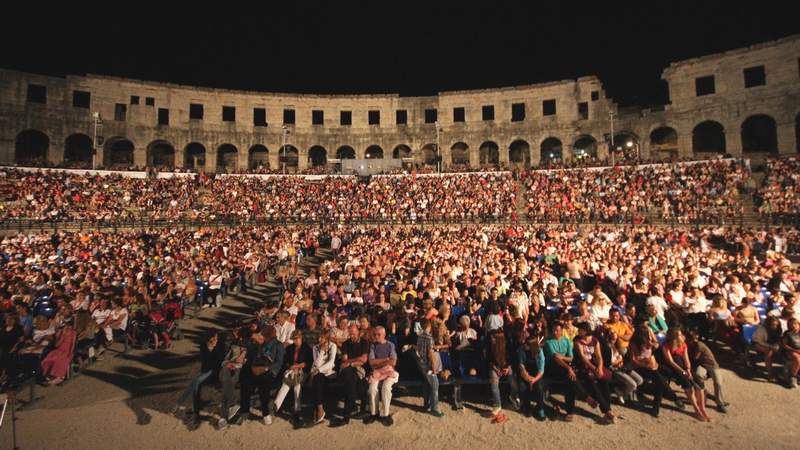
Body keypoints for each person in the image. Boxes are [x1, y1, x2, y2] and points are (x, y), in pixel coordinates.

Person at [172, 330, 227, 430]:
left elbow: (219, 361)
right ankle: (187, 406)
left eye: (217, 337)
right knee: (194, 383)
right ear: (208, 338)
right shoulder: (203, 345)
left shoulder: (220, 345)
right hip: (206, 369)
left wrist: (214, 348)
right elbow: (205, 360)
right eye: (214, 338)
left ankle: (185, 406)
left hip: (215, 371)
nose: (216, 339)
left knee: (196, 382)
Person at [233, 325, 284, 426]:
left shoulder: (278, 345)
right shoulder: (258, 344)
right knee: (245, 379)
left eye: (263, 335)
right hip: (255, 369)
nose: (261, 336)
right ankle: (244, 412)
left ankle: (265, 413)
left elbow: (278, 363)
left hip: (269, 372)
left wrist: (265, 369)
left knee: (263, 383)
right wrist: (251, 366)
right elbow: (251, 357)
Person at [660, 328, 711, 422]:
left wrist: (688, 369)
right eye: (679, 335)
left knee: (699, 382)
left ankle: (702, 408)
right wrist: (682, 371)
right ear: (674, 337)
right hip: (674, 368)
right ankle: (696, 409)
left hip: (683, 366)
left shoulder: (683, 345)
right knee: (687, 384)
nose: (682, 336)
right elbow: (670, 362)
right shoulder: (666, 346)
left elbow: (686, 358)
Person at [573, 322, 615, 424]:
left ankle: (608, 410)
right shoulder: (577, 341)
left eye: (580, 330)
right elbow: (583, 358)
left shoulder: (595, 340)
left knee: (604, 382)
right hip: (584, 366)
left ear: (586, 331)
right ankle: (606, 410)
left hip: (594, 364)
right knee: (593, 384)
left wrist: (599, 367)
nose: (578, 331)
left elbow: (599, 356)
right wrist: (594, 369)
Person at [270, 330, 312, 427]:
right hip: (291, 371)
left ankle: (297, 410)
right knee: (286, 384)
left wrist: (298, 367)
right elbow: (286, 362)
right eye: (294, 339)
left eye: (296, 339)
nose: (295, 341)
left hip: (302, 371)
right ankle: (276, 405)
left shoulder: (307, 348)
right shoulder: (290, 348)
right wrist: (291, 367)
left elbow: (308, 363)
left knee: (297, 386)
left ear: (301, 338)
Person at [330, 324, 370, 427]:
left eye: (354, 333)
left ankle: (346, 416)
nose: (352, 335)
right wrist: (356, 360)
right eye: (350, 333)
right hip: (348, 369)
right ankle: (350, 409)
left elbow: (364, 359)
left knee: (350, 382)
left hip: (358, 369)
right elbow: (344, 359)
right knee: (350, 377)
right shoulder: (346, 344)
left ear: (358, 332)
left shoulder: (364, 343)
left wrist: (351, 362)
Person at [543, 321, 580, 421]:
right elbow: (555, 357)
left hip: (565, 369)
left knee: (570, 382)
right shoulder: (548, 342)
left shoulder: (566, 341)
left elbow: (571, 358)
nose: (555, 332)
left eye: (557, 330)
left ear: (561, 331)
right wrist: (568, 367)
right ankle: (585, 396)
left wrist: (563, 358)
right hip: (552, 368)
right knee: (570, 377)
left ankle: (570, 411)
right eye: (553, 330)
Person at [364, 326, 399, 426]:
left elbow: (393, 362)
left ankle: (385, 414)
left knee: (386, 388)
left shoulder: (390, 345)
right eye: (375, 334)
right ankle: (374, 413)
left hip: (389, 372)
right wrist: (385, 360)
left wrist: (379, 363)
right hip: (377, 372)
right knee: (372, 389)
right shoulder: (373, 346)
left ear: (384, 335)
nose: (376, 336)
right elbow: (371, 362)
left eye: (379, 334)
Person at [686, 329, 727, 412]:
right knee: (698, 375)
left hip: (712, 366)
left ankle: (720, 403)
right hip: (702, 365)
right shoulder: (690, 345)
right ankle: (703, 392)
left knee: (718, 383)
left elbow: (695, 358)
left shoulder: (699, 345)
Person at [602, 328, 643, 404]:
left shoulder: (618, 344)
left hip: (623, 367)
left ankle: (620, 391)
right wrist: (619, 361)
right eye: (611, 332)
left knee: (640, 380)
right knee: (633, 385)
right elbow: (608, 363)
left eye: (614, 331)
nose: (614, 333)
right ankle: (623, 395)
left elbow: (624, 358)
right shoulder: (606, 347)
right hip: (613, 369)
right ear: (607, 335)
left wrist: (622, 361)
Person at [415, 319, 445, 417]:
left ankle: (426, 405)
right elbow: (430, 353)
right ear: (429, 326)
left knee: (427, 384)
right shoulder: (429, 338)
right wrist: (433, 367)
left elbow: (418, 350)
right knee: (435, 385)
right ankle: (434, 408)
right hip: (428, 365)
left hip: (422, 364)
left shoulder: (419, 337)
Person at [310, 331, 337, 425]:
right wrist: (321, 351)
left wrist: (319, 370)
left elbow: (331, 362)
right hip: (318, 373)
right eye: (319, 337)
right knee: (317, 380)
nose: (319, 339)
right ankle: (320, 409)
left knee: (317, 380)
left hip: (329, 373)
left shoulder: (332, 346)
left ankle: (316, 411)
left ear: (326, 338)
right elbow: (316, 363)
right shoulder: (315, 347)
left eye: (321, 338)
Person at [517, 335, 546, 420]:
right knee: (522, 386)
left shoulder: (540, 352)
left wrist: (534, 380)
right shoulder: (521, 350)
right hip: (526, 373)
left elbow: (541, 370)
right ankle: (527, 406)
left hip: (536, 374)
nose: (524, 345)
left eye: (527, 344)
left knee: (539, 387)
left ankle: (540, 408)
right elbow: (521, 366)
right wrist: (528, 378)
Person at [486, 328, 511, 424]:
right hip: (494, 367)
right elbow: (489, 360)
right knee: (494, 384)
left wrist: (507, 368)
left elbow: (511, 358)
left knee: (512, 379)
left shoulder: (506, 345)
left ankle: (514, 397)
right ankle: (497, 405)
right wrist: (497, 370)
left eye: (493, 338)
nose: (492, 339)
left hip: (506, 366)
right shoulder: (490, 346)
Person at [751, 316, 783, 381]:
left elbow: (778, 339)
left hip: (771, 344)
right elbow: (758, 341)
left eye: (776, 325)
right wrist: (771, 347)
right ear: (768, 324)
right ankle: (770, 373)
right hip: (758, 343)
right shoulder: (761, 329)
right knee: (769, 352)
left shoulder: (779, 329)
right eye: (773, 325)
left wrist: (777, 345)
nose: (775, 327)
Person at [781, 318, 800, 388]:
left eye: (795, 324)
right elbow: (784, 345)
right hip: (790, 351)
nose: (794, 326)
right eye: (792, 324)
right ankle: (793, 377)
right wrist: (795, 350)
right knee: (797, 358)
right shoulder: (787, 333)